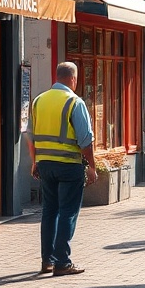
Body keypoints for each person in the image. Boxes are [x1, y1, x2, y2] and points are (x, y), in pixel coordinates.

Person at [28, 61, 96, 276]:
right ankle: (62, 262)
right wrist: (92, 167)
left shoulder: (39, 101)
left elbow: (30, 135)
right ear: (73, 79)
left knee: (49, 211)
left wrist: (35, 161)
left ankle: (47, 260)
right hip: (69, 165)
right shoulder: (74, 102)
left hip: (45, 165)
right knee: (68, 212)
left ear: (56, 77)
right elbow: (85, 139)